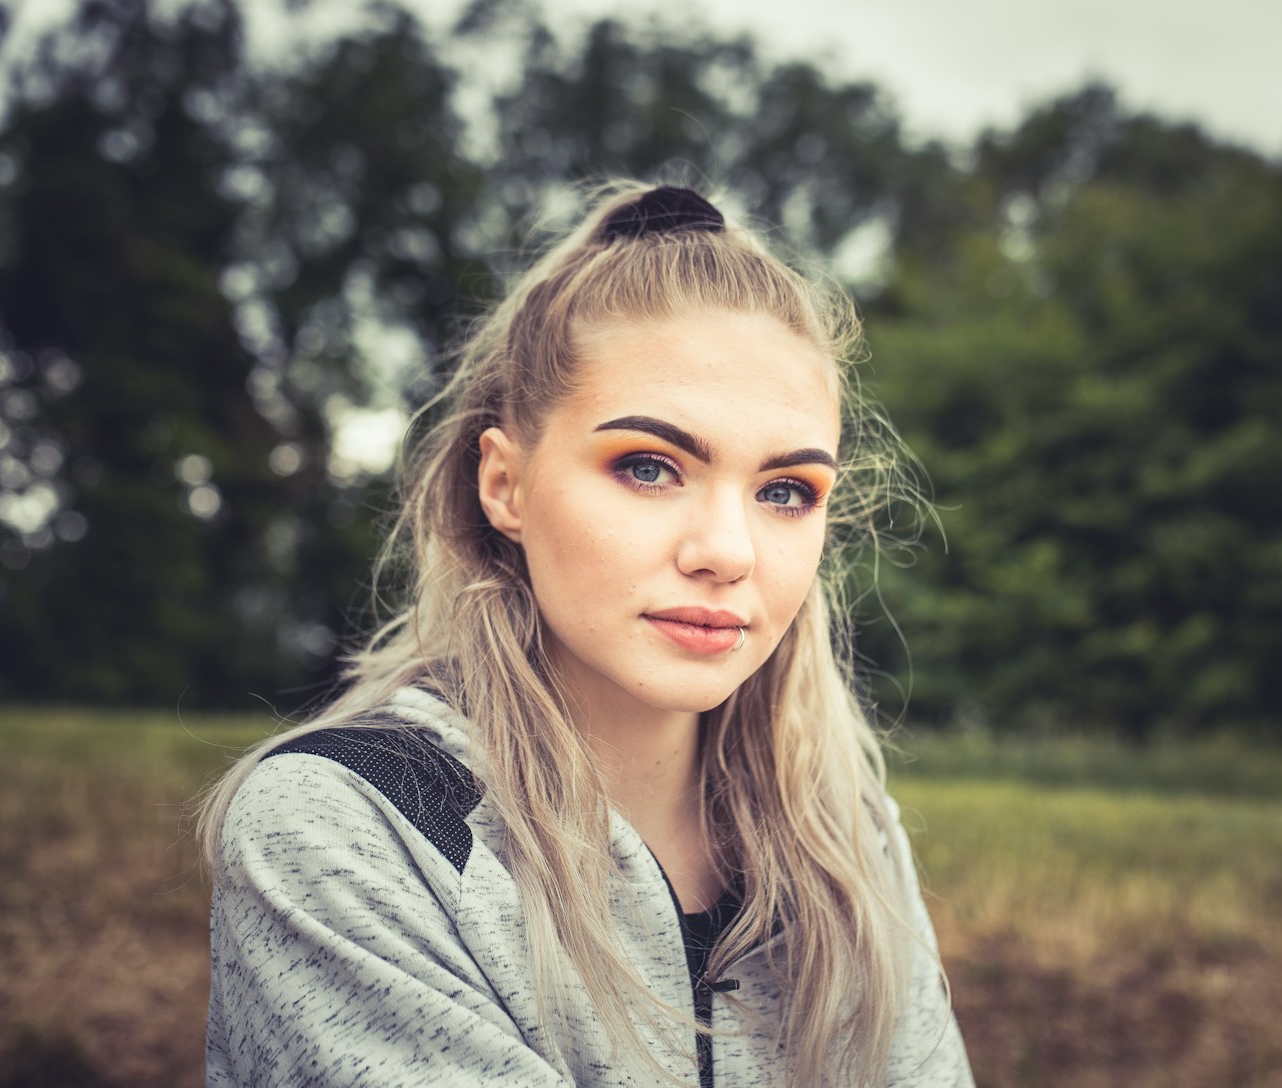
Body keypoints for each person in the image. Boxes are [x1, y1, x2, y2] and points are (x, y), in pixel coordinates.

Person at [198, 182, 974, 1088]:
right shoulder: (349, 827)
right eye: (649, 468)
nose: (728, 552)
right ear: (506, 486)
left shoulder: (853, 845)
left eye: (785, 491)